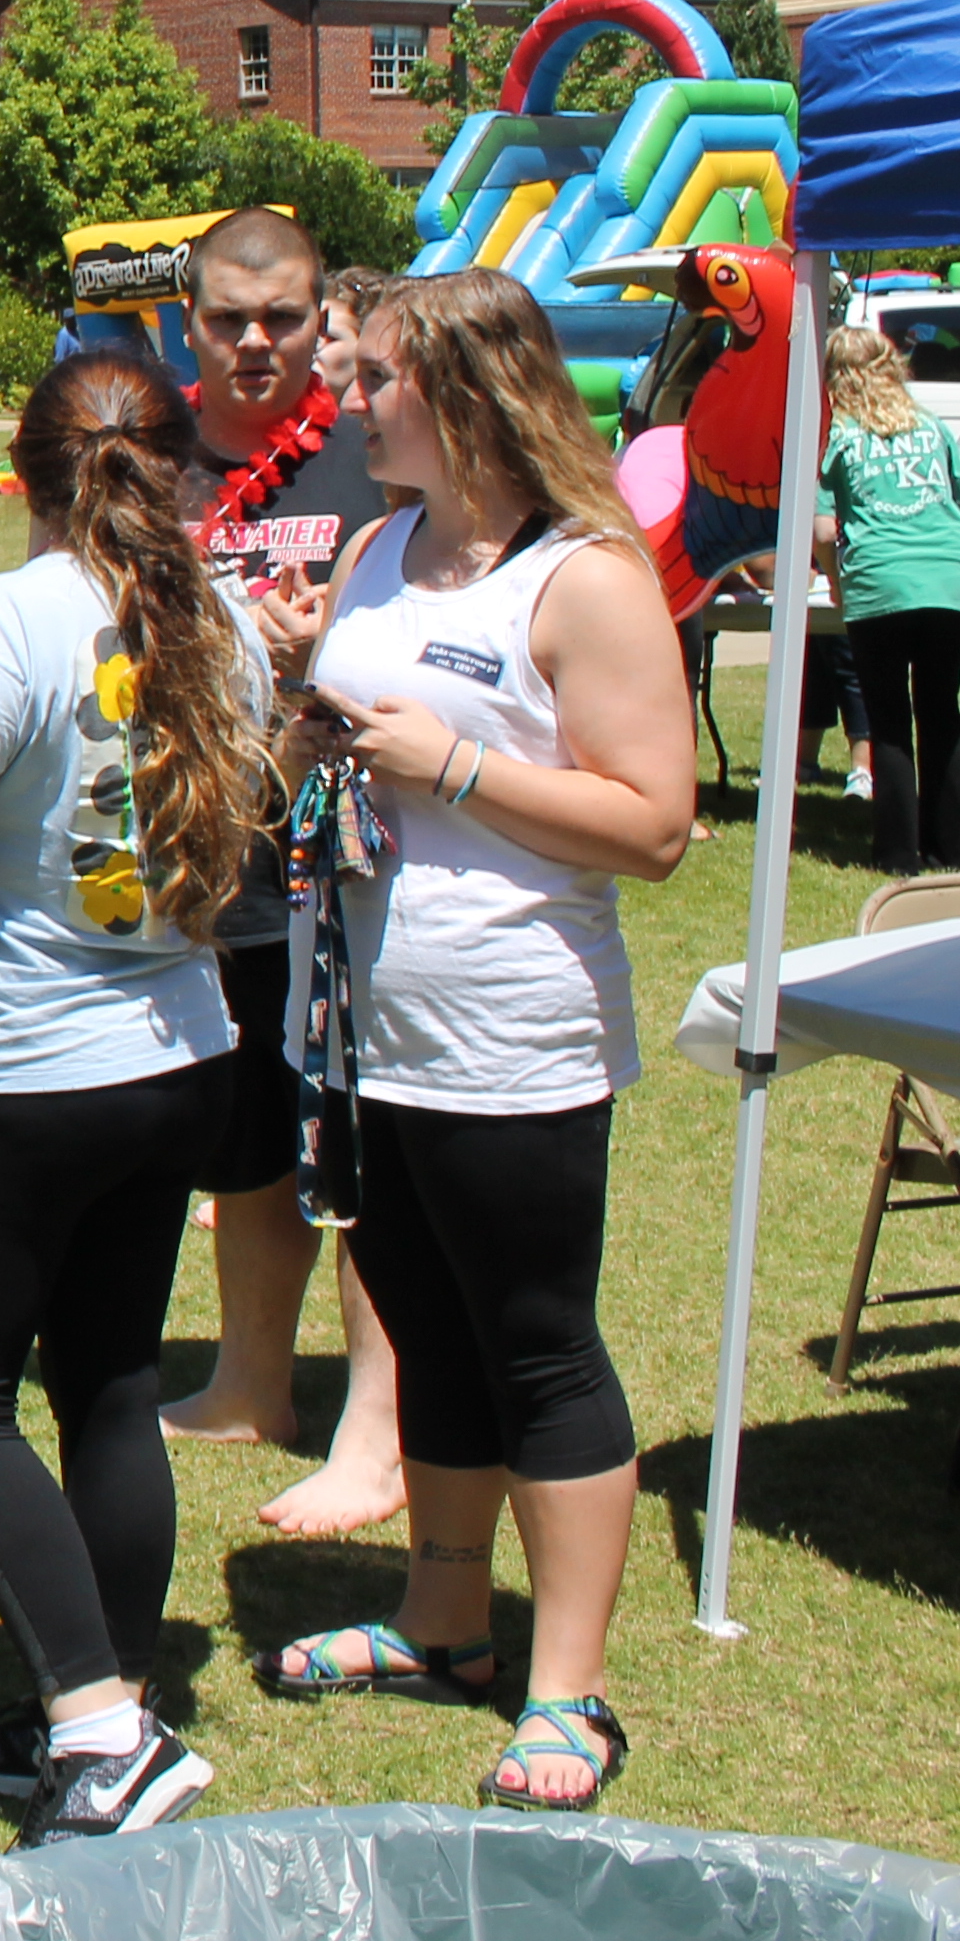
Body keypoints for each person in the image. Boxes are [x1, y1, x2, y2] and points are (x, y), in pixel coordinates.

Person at [260, 268, 691, 1815]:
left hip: (518, 1032)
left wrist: (450, 762)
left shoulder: (583, 579)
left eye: (373, 375)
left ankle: (568, 1692)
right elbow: (365, 722)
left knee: (536, 1343)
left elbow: (653, 827)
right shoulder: (381, 549)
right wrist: (318, 707)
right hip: (376, 1026)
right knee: (429, 1333)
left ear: (467, 394)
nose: (347, 397)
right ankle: (444, 1624)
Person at [0, 353, 268, 1849]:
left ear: (22, 471)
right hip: (172, 1056)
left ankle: (96, 1732)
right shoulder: (213, 622)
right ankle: (113, 1702)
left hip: (23, 1072)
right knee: (104, 1381)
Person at [153, 213, 409, 1541]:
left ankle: (383, 1428)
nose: (256, 342)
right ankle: (254, 1382)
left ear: (325, 322)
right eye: (227, 319)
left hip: (362, 859)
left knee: (354, 1145)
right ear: (185, 324)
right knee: (248, 1142)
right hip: (214, 862)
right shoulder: (151, 465)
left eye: (284, 318)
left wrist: (324, 658)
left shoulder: (387, 458)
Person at [818, 325, 960, 877]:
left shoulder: (840, 437)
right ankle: (949, 848)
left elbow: (825, 531)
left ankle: (899, 854)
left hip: (878, 584)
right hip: (946, 582)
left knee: (889, 722)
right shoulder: (933, 426)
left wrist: (834, 579)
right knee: (943, 716)